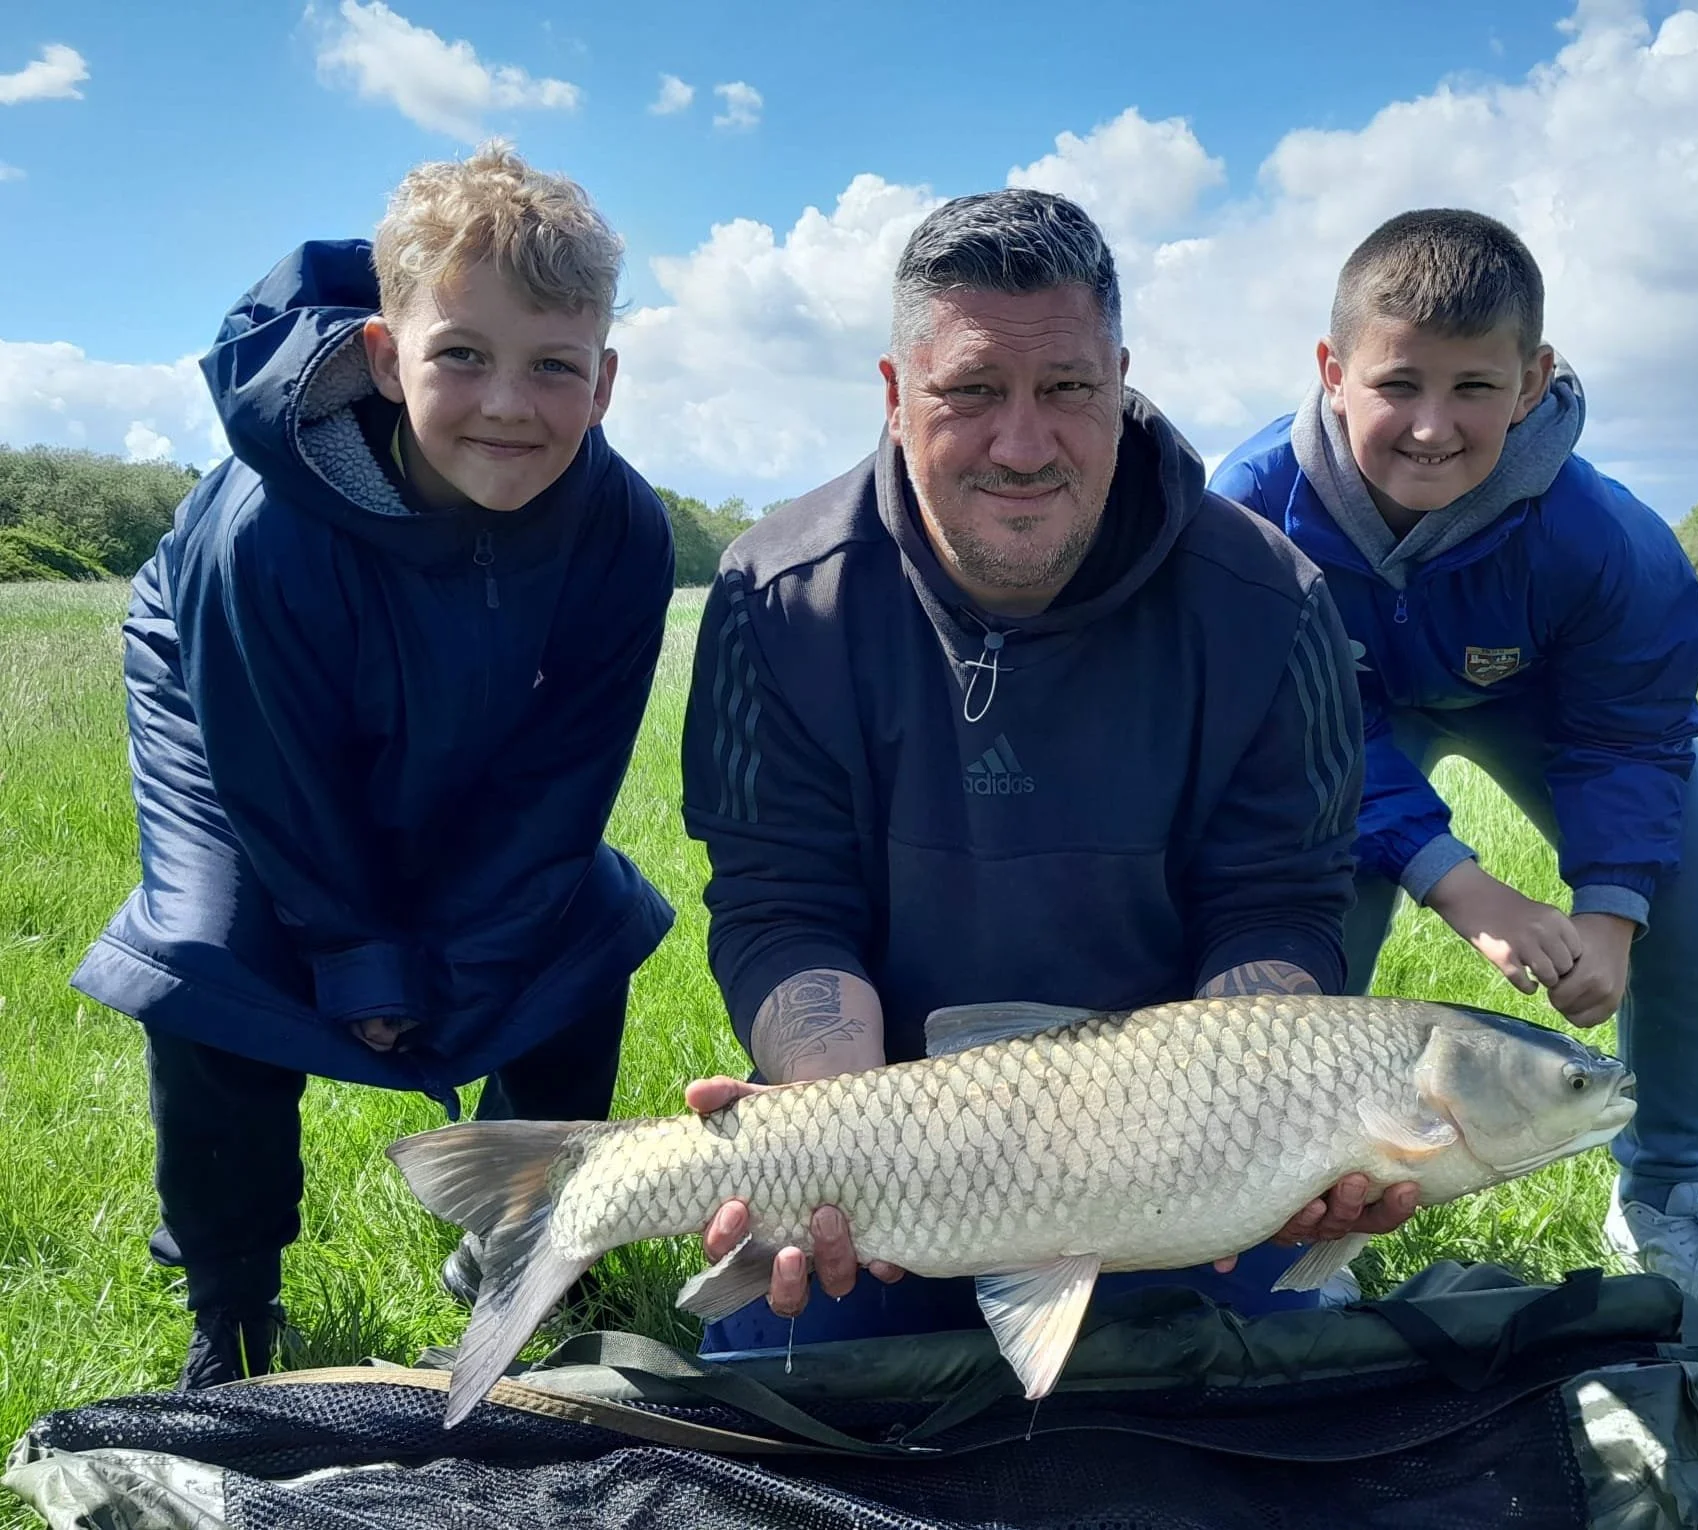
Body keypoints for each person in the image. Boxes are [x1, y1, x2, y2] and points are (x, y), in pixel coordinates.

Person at [677, 188, 1417, 1351]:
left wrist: (1273, 1137)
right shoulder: (776, 598)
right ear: (895, 392)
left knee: (1266, 1408)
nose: (1023, 445)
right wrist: (829, 1129)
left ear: (1119, 380)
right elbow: (781, 904)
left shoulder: (1275, 605)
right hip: (888, 1167)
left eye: (1068, 390)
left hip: (1183, 1183)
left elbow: (1278, 904)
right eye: (971, 391)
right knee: (794, 1391)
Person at [70, 142, 677, 1389]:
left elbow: (564, 779)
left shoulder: (622, 530)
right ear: (385, 357)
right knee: (211, 958)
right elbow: (278, 776)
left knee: (580, 927)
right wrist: (361, 960)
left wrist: (474, 959)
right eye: (462, 355)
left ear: (605, 383)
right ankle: (231, 1303)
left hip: (463, 692)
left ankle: (523, 1235)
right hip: (227, 705)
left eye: (553, 366)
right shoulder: (265, 526)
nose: (509, 404)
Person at [1208, 209, 1698, 1324]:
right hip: (1342, 724)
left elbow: (1629, 733)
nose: (1430, 426)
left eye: (1474, 387)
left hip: (1540, 708)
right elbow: (1295, 730)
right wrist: (1454, 879)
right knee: (1308, 890)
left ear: (1533, 380)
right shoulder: (1249, 507)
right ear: (1331, 370)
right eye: (1397, 383)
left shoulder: (1611, 538)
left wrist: (1611, 913)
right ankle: (1300, 1198)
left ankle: (1664, 1190)